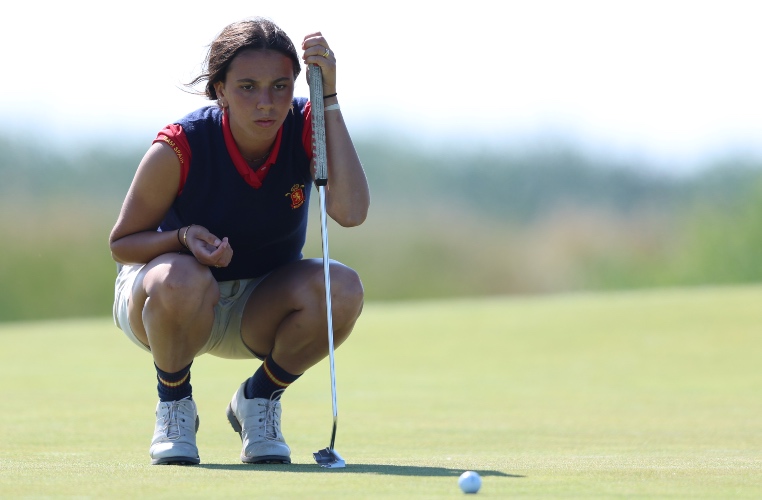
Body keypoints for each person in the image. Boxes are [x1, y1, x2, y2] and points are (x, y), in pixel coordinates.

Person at [109, 17, 370, 466]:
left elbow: (350, 212)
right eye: (247, 87)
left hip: (260, 305)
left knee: (342, 288)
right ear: (220, 90)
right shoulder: (180, 145)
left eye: (280, 86)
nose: (266, 103)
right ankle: (174, 404)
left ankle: (259, 398)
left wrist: (328, 96)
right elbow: (123, 243)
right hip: (172, 303)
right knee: (181, 277)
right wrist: (184, 238)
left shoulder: (309, 123)